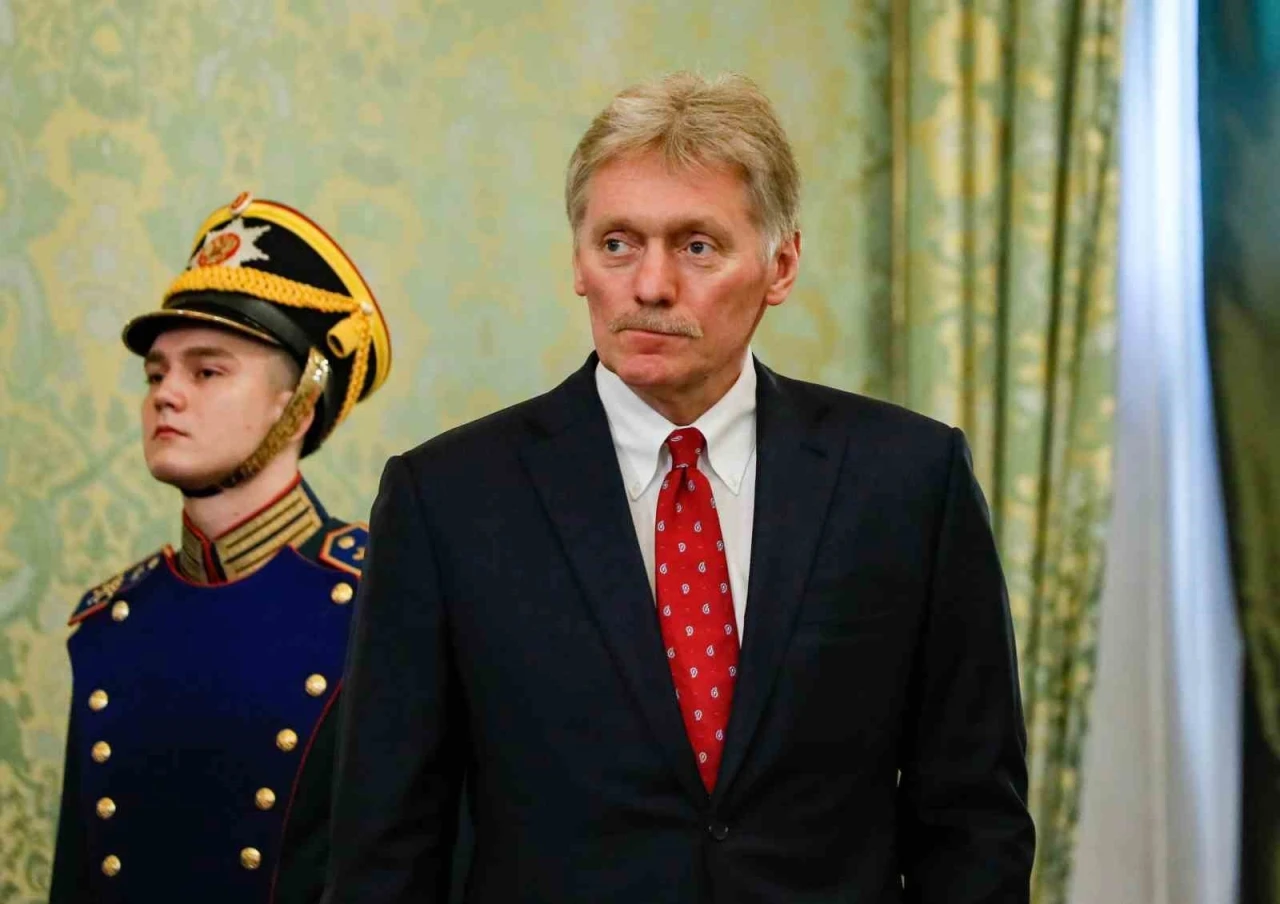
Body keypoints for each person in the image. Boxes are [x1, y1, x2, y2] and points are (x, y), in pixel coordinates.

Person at [324, 72, 1035, 903]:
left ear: (781, 265)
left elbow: (974, 824)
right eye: (617, 243)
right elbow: (386, 851)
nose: (651, 285)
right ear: (579, 262)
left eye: (697, 246)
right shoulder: (446, 500)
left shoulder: (909, 481)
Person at [50, 193, 392, 904]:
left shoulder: (385, 606)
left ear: (299, 404)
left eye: (207, 371)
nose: (166, 395)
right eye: (156, 374)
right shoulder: (109, 621)